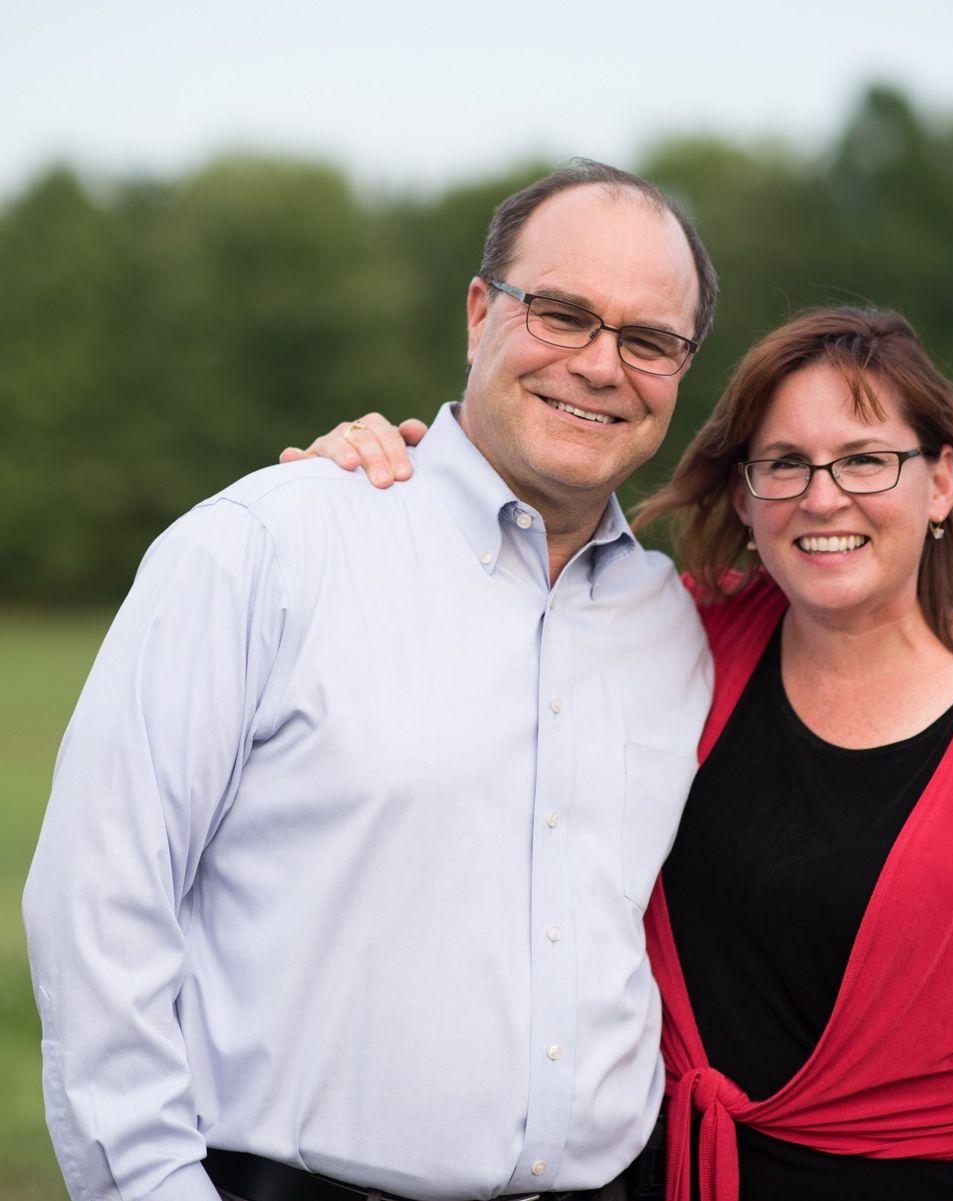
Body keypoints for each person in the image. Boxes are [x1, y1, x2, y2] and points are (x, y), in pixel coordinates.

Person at [298, 306, 953, 1200]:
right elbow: (497, 602)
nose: (823, 497)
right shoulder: (678, 637)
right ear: (744, 496)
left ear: (938, 483)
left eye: (865, 458)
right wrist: (381, 490)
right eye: (784, 463)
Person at [22, 160, 718, 1201]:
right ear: (480, 312)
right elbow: (101, 906)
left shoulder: (678, 627)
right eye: (563, 313)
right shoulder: (266, 548)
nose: (599, 364)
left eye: (647, 339)